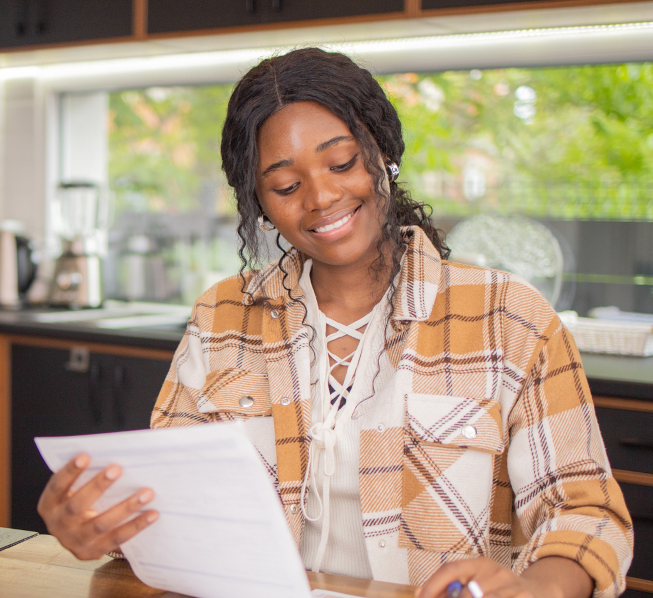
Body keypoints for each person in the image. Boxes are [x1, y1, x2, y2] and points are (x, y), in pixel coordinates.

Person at [37, 47, 633, 598]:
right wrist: (99, 524)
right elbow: (163, 506)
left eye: (342, 162)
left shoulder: (510, 317)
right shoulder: (221, 316)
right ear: (260, 204)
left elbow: (586, 515)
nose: (320, 197)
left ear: (383, 155)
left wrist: (539, 588)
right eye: (286, 185)